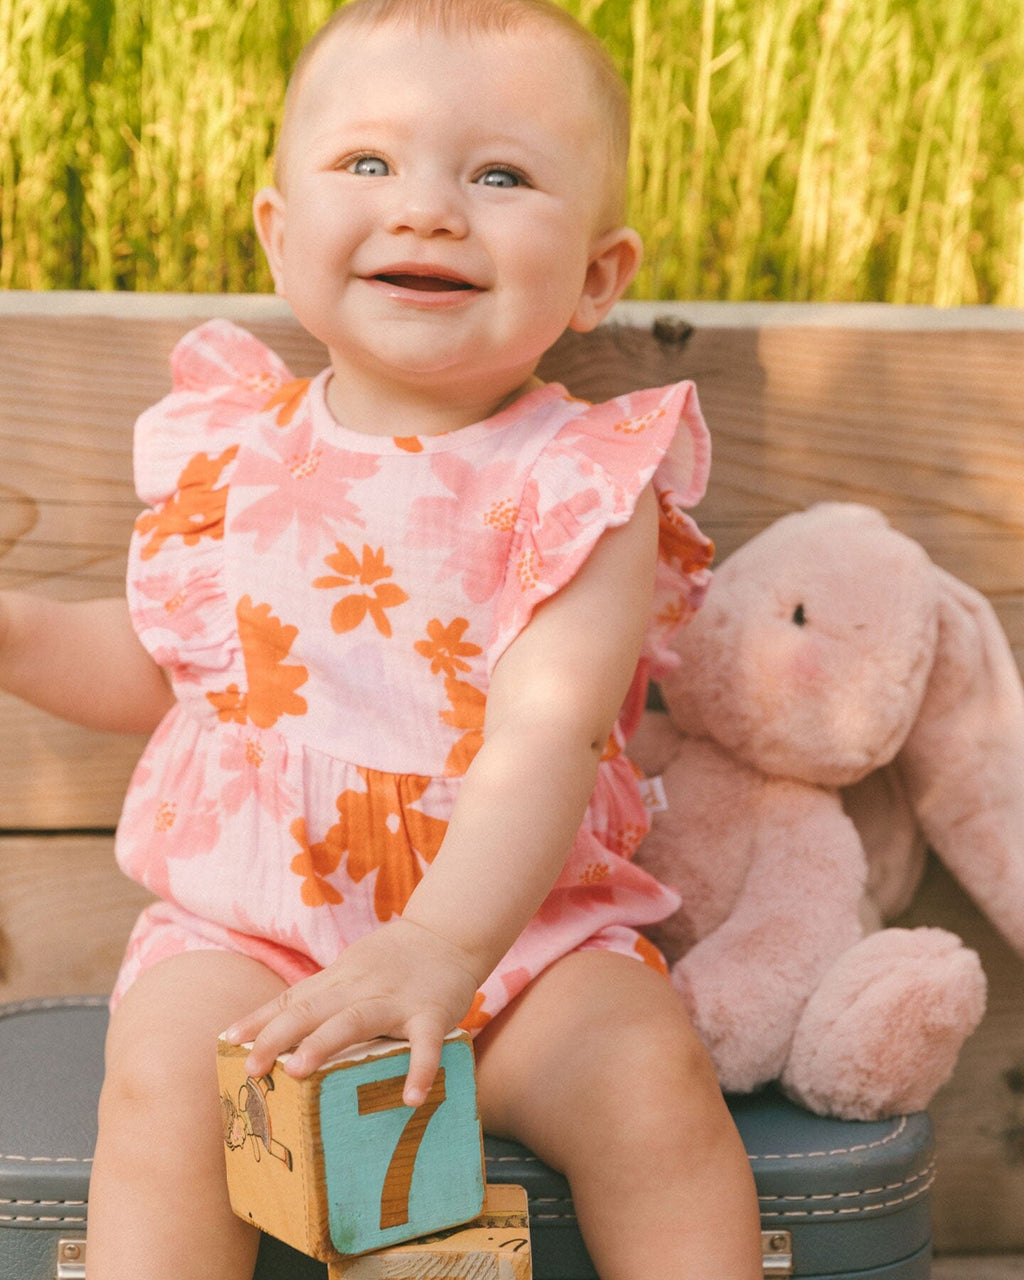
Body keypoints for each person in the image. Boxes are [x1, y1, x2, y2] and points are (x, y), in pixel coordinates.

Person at [0, 1, 762, 1276]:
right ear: (281, 236)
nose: (427, 209)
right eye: (369, 163)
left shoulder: (583, 479)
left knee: (650, 1082)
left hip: (520, 945)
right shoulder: (228, 449)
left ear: (596, 276)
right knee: (165, 1084)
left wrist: (441, 949)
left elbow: (552, 724)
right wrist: (19, 634)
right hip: (260, 939)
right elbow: (177, 672)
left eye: (501, 175)